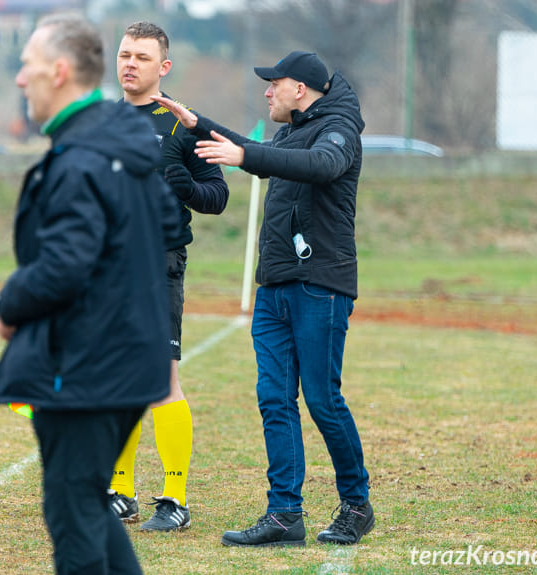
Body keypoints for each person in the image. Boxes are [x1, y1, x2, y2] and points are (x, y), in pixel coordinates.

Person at [0, 13, 178, 575]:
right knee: (91, 505)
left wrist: (8, 303)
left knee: (74, 523)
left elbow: (64, 265)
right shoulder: (125, 142)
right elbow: (165, 223)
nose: (21, 79)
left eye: (29, 66)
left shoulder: (84, 157)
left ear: (60, 72)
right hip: (129, 363)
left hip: (89, 370)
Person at [153, 50, 374, 547]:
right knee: (274, 399)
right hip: (274, 286)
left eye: (275, 84)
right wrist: (200, 124)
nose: (268, 92)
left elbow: (319, 166)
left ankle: (356, 505)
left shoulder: (339, 128)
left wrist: (247, 156)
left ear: (301, 88)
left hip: (321, 284)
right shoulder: (289, 131)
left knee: (321, 399)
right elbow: (257, 150)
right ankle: (284, 515)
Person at [108, 21, 229, 532]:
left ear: (164, 66)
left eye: (141, 56)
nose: (129, 63)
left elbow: (217, 197)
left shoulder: (182, 123)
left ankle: (174, 499)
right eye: (124, 54)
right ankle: (119, 492)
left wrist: (185, 186)